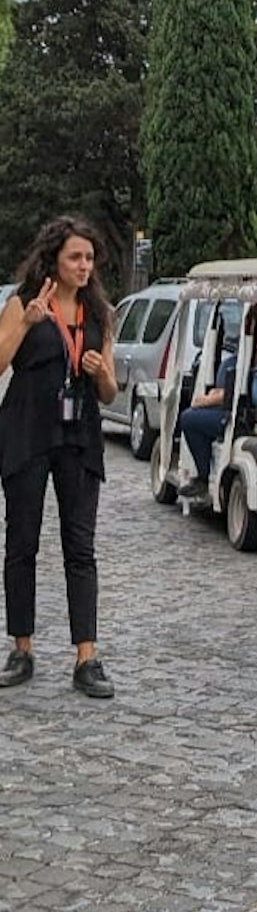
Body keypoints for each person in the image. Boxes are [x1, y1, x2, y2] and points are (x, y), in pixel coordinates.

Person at [0, 217, 118, 699]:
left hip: (79, 436)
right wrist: (26, 324)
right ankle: (21, 647)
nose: (84, 266)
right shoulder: (23, 302)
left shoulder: (99, 313)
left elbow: (111, 392)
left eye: (89, 258)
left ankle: (86, 657)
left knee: (80, 548)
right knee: (21, 542)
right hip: (27, 431)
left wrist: (99, 372)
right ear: (54, 259)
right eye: (75, 257)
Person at [177, 304, 257, 502]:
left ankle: (202, 477)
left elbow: (236, 388)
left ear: (256, 324)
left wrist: (205, 399)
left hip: (243, 411)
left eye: (249, 322)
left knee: (189, 419)